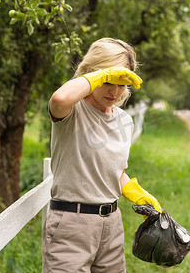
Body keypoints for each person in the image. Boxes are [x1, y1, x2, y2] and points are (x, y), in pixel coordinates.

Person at [44, 38, 163, 272]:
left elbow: (114, 171)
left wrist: (137, 194)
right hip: (71, 224)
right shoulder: (72, 111)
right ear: (90, 72)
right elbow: (59, 99)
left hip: (111, 223)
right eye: (109, 81)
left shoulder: (124, 120)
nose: (115, 91)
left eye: (122, 84)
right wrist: (100, 73)